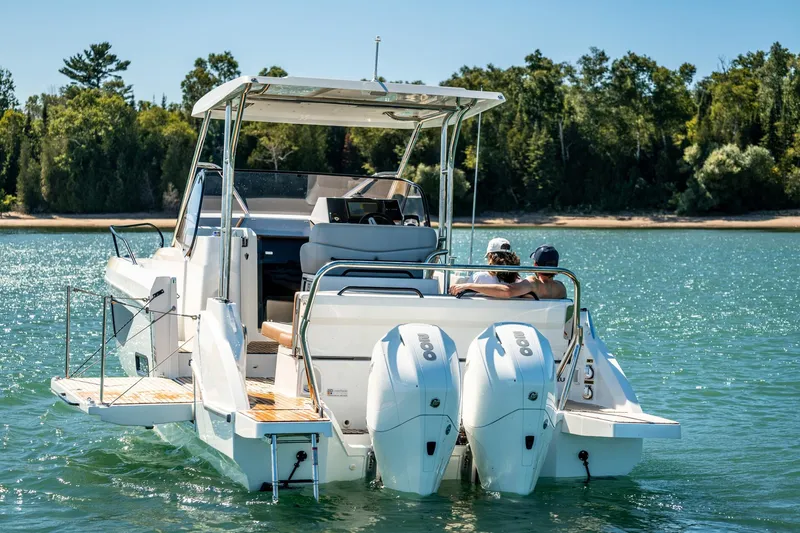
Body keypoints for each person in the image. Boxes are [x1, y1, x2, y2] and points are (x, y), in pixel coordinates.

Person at [449, 244, 566, 300]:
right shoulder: (561, 288)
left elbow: (508, 291)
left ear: (535, 265)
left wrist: (469, 285)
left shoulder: (533, 283)